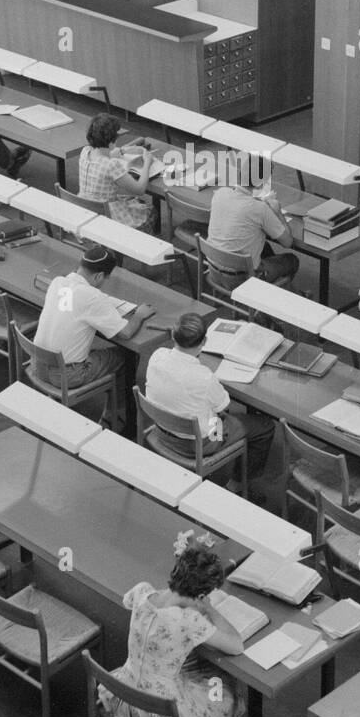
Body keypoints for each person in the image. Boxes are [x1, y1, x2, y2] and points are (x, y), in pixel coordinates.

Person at [98, 546, 245, 717]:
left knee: (192, 668)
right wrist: (210, 609)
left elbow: (127, 601)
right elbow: (236, 645)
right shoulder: (189, 620)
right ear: (202, 595)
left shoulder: (143, 592)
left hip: (122, 693)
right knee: (227, 697)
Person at [144, 313, 276, 497]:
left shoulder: (157, 356)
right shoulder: (203, 377)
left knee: (208, 411)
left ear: (173, 335)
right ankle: (237, 484)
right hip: (199, 444)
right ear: (204, 341)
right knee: (264, 426)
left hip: (161, 431)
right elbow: (223, 405)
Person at [32, 246, 152, 391]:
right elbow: (125, 333)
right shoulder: (93, 296)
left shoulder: (57, 282)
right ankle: (121, 405)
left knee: (92, 348)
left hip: (38, 365)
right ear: (98, 276)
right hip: (67, 376)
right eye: (105, 279)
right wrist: (139, 315)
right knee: (126, 356)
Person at [206, 155, 299, 288]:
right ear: (261, 183)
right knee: (291, 260)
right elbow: (287, 242)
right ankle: (270, 294)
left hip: (213, 270)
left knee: (265, 247)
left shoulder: (220, 193)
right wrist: (277, 211)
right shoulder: (260, 209)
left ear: (239, 173)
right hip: (242, 280)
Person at [78, 113, 155, 230]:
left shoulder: (85, 152)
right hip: (106, 217)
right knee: (150, 210)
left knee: (131, 201)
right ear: (111, 143)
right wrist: (147, 163)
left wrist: (119, 151)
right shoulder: (111, 165)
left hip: (84, 209)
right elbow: (139, 190)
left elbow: (102, 156)